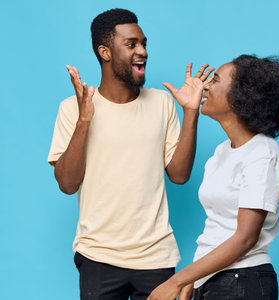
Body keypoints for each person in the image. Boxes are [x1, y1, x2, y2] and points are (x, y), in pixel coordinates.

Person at [48, 8, 213, 300]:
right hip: (98, 255)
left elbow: (179, 175)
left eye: (144, 43)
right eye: (131, 44)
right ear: (105, 52)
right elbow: (67, 184)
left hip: (156, 256)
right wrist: (84, 121)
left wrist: (190, 112)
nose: (143, 51)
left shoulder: (162, 103)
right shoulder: (72, 108)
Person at [148, 55, 279, 300]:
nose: (206, 86)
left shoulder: (262, 154)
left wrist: (176, 281)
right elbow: (218, 226)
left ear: (240, 96)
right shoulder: (222, 151)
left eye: (215, 80)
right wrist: (192, 280)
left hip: (243, 282)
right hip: (211, 280)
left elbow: (245, 238)